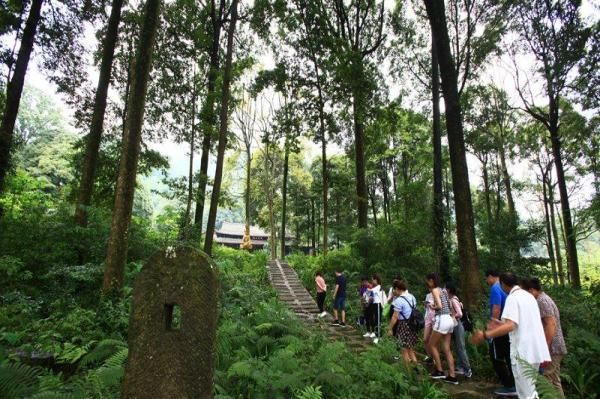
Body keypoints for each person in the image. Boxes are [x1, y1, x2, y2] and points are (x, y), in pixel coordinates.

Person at [472, 272, 551, 399]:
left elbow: (511, 325)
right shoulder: (529, 296)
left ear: (503, 284)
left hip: (523, 352)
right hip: (535, 351)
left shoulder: (512, 298)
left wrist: (486, 335)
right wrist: (499, 324)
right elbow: (521, 322)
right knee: (531, 391)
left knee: (526, 394)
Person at [521, 277, 567, 397]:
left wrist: (544, 348)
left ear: (531, 290)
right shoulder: (542, 299)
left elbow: (551, 324)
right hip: (555, 346)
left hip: (553, 347)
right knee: (554, 381)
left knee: (546, 381)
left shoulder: (542, 301)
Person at [486, 269, 516, 397]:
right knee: (508, 356)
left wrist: (491, 329)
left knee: (496, 357)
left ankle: (509, 385)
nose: (486, 281)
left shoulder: (495, 288)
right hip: (508, 328)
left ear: (491, 277)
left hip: (500, 328)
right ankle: (514, 384)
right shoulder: (505, 289)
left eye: (486, 278)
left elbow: (496, 309)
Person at [425, 272, 458, 385]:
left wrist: (432, 306)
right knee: (447, 349)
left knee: (431, 345)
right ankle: (452, 376)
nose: (427, 283)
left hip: (442, 319)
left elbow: (439, 306)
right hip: (449, 319)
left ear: (431, 281)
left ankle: (440, 371)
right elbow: (448, 305)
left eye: (428, 281)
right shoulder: (443, 290)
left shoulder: (435, 290)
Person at [387, 279, 418, 363]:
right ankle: (417, 369)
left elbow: (395, 316)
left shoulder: (398, 301)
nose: (394, 291)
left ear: (397, 289)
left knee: (403, 349)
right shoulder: (412, 297)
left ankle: (408, 372)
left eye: (394, 289)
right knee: (410, 348)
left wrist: (390, 328)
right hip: (412, 325)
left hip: (403, 325)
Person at [446, 281, 472, 378]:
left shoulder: (453, 300)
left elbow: (460, 313)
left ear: (448, 290)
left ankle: (468, 369)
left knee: (461, 347)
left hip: (458, 325)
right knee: (457, 347)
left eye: (445, 288)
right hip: (454, 325)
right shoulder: (451, 299)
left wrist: (452, 316)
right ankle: (460, 367)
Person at [364, 274, 385, 343]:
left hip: (378, 305)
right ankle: (377, 335)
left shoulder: (378, 287)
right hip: (375, 305)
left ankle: (379, 337)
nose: (372, 281)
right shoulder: (376, 287)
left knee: (378, 321)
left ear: (376, 280)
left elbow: (370, 290)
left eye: (373, 279)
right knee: (376, 320)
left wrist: (367, 290)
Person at [423, 288, 435, 364]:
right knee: (425, 339)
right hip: (428, 317)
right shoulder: (428, 295)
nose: (430, 289)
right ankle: (429, 356)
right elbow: (426, 308)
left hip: (436, 318)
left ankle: (434, 358)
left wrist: (432, 305)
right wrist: (425, 304)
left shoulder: (439, 293)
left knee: (433, 340)